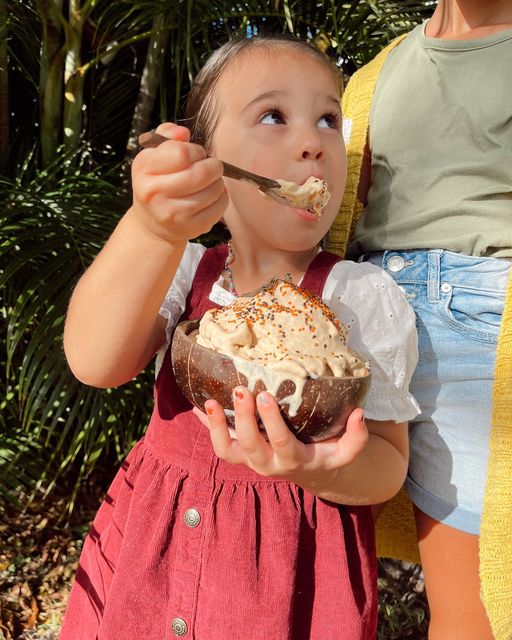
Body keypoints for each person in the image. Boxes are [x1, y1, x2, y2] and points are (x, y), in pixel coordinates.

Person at [60, 34, 420, 640]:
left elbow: (387, 462)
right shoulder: (181, 270)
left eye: (329, 119)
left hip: (288, 584)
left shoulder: (358, 298)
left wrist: (314, 468)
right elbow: (96, 361)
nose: (314, 142)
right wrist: (150, 227)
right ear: (206, 159)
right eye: (273, 115)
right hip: (152, 556)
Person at [327, 2, 512, 639]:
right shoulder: (378, 73)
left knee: (484, 607)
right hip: (374, 324)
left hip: (489, 325)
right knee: (456, 601)